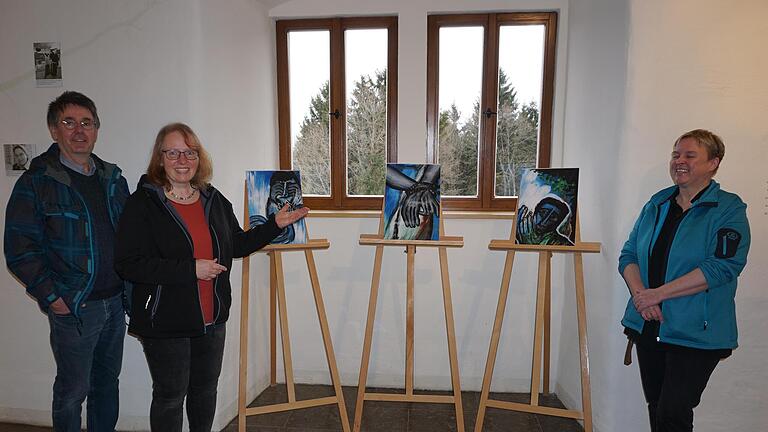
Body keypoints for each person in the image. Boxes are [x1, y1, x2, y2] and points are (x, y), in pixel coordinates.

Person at [114, 122, 308, 432]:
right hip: (165, 319)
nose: (182, 160)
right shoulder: (143, 204)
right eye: (173, 152)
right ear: (160, 158)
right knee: (170, 396)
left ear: (199, 158)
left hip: (212, 317)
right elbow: (129, 264)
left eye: (190, 153)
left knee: (205, 392)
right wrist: (191, 269)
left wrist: (275, 224)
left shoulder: (213, 200)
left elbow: (238, 245)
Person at [4, 91, 130, 431]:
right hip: (75, 309)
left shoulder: (114, 179)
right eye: (68, 122)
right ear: (53, 130)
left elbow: (132, 238)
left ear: (96, 129)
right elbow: (19, 249)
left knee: (107, 385)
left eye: (86, 123)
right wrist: (53, 298)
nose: (79, 131)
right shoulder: (37, 182)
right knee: (73, 392)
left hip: (115, 305)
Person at [619, 129, 750, 432]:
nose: (679, 161)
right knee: (657, 406)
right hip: (649, 322)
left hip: (696, 331)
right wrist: (642, 296)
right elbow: (629, 255)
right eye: (676, 154)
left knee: (673, 411)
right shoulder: (658, 203)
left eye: (690, 155)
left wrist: (657, 295)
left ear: (713, 163)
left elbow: (722, 267)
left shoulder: (728, 209)